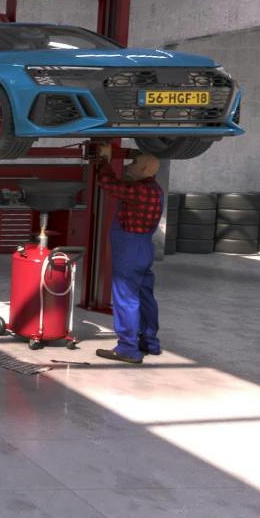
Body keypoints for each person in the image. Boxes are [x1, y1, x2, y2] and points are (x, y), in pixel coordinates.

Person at [95, 143, 165, 363]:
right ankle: (150, 342)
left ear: (144, 169)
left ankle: (127, 348)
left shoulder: (139, 191)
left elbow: (108, 184)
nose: (128, 165)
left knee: (125, 298)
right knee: (145, 297)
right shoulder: (155, 189)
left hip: (130, 252)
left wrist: (104, 160)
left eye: (133, 162)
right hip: (144, 249)